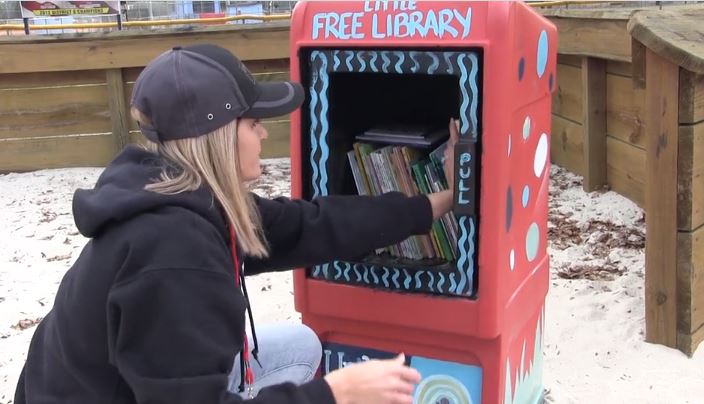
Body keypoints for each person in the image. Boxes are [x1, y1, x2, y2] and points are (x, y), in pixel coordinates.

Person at [14, 44, 458, 404]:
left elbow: (311, 225)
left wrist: (438, 202)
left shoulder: (185, 196)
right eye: (253, 123)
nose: (265, 134)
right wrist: (333, 394)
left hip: (121, 383)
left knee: (300, 346)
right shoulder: (173, 254)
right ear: (220, 135)